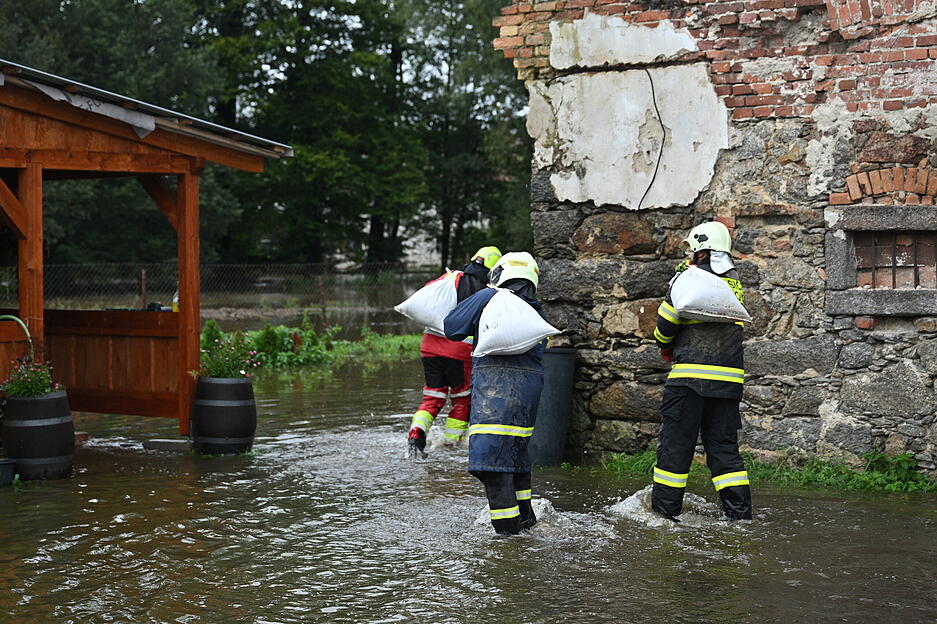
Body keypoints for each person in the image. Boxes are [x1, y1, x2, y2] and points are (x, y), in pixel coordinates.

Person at [651, 221, 752, 521]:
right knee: (724, 451)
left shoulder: (687, 279)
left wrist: (665, 344)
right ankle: (739, 517)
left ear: (699, 250)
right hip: (728, 383)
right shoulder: (735, 283)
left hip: (688, 382)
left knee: (675, 449)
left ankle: (664, 517)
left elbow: (664, 329)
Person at [443, 251, 545, 535]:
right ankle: (528, 527)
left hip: (494, 397)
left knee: (492, 468)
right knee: (516, 461)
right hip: (526, 401)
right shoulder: (535, 310)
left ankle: (509, 547)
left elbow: (451, 328)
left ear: (500, 275)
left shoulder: (490, 298)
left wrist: (482, 297)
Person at [406, 246, 502, 457]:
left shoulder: (451, 279)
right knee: (462, 399)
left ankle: (415, 434)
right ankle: (450, 445)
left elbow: (427, 297)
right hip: (458, 351)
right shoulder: (487, 290)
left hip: (429, 346)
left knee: (433, 397)